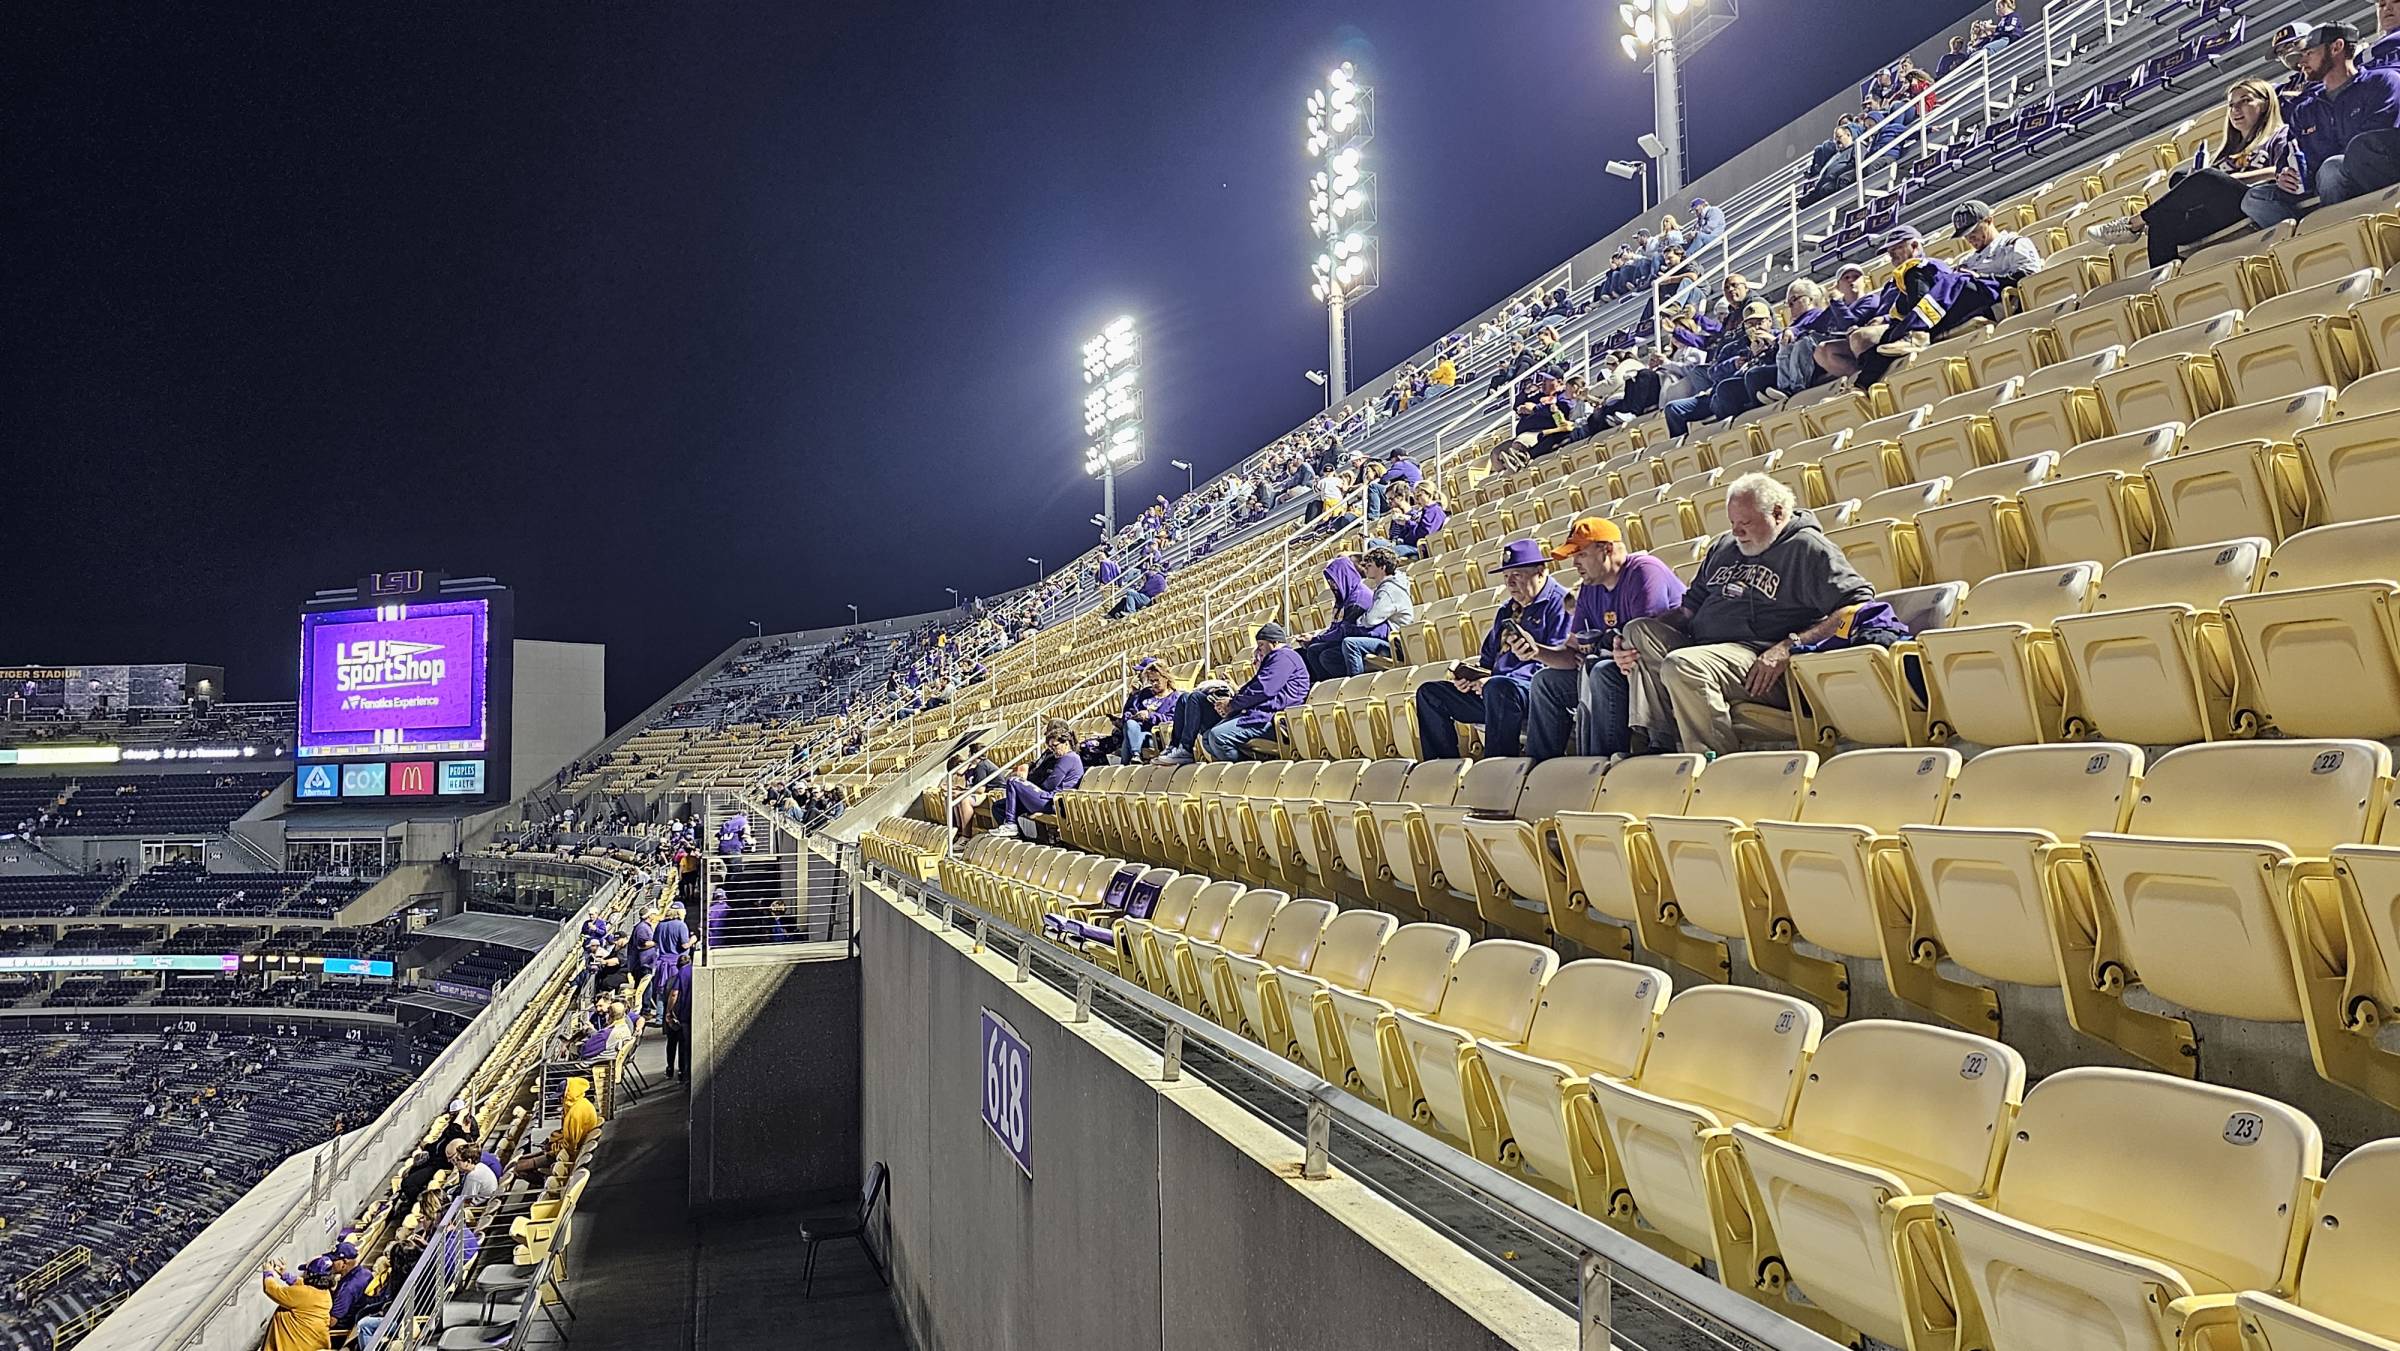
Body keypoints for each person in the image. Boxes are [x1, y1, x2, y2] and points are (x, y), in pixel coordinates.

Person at [1618, 474, 1877, 755]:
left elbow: (1857, 605)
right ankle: (1659, 743)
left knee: (1683, 664)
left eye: (1746, 523)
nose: (1737, 532)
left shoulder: (1807, 548)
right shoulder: (1724, 547)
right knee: (1636, 630)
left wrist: (1789, 646)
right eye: (1732, 523)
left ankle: (1712, 760)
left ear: (1778, 514)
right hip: (1708, 648)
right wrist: (1626, 643)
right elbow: (1687, 609)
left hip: (1760, 659)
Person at [1520, 518, 1688, 762]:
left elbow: (1642, 642)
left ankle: (1599, 764)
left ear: (1607, 549)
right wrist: (1536, 651)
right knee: (1546, 681)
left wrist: (1603, 652)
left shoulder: (1644, 570)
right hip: (1619, 668)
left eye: (1581, 554)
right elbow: (1573, 652)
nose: (1575, 563)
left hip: (1660, 673)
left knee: (1600, 670)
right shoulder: (1590, 587)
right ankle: (1538, 768)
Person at [2094, 76, 2288, 267]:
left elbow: (2280, 171)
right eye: (2231, 105)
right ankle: (2164, 283)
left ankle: (2133, 224)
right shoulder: (2226, 152)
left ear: (2265, 104)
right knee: (2166, 209)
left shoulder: (2279, 135)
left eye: (2245, 101)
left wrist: (2231, 178)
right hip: (2216, 213)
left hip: (2250, 203)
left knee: (2206, 178)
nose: (2235, 110)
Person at [1413, 539, 1572, 760]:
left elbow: (1556, 667)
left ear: (1540, 571)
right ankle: (1442, 769)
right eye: (1506, 577)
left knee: (1499, 688)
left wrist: (1492, 681)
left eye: (1516, 574)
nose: (1510, 583)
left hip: (1535, 694)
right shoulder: (1506, 610)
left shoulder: (1561, 603)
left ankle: (1498, 767)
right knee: (1430, 693)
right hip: (1496, 691)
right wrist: (1473, 679)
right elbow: (1488, 661)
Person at [2243, 22, 2400, 229]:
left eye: (2309, 53)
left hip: (2375, 173)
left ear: (2336, 47)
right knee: (2255, 197)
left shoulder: (2383, 81)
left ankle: (2344, 236)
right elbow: (2292, 152)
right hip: (2321, 181)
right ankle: (2309, 240)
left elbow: (2375, 142)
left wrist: (2319, 166)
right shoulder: (2306, 107)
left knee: (2331, 169)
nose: (2301, 61)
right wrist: (2285, 174)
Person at [1817, 227, 2005, 385]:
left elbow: (1929, 298)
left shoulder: (1924, 267)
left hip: (1932, 318)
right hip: (1909, 321)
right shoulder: (1896, 280)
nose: (1891, 255)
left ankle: (1908, 344)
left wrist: (1905, 325)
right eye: (1889, 251)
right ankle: (1864, 383)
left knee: (1863, 338)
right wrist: (1886, 318)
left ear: (1914, 246)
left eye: (1897, 248)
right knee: (1840, 349)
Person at [1157, 624, 1311, 765]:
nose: (1259, 651)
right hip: (1255, 714)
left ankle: (1246, 768)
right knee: (1198, 716)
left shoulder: (1284, 656)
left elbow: (1263, 689)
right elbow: (1258, 689)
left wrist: (1232, 705)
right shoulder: (1277, 658)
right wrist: (1230, 700)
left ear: (1274, 642)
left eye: (1261, 646)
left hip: (1269, 719)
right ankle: (1180, 748)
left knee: (1216, 737)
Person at [1311, 550, 1416, 678]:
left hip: (1396, 644)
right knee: (1326, 654)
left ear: (1382, 567)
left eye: (1370, 565)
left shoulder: (1389, 591)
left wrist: (1359, 621)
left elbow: (1371, 619)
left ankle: (1356, 682)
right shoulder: (1383, 587)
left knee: (1350, 643)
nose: (1365, 568)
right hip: (1386, 637)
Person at [988, 726, 1085, 836]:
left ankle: (1010, 824)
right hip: (1047, 799)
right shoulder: (1065, 758)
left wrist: (1027, 788)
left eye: (1055, 746)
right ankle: (1016, 838)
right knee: (999, 806)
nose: (1053, 751)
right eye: (1050, 748)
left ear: (1066, 743)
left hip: (1053, 802)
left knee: (1013, 781)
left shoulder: (1069, 758)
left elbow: (1050, 784)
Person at [1949, 199, 2043, 283]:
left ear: (1989, 221)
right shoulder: (1967, 261)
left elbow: (2029, 280)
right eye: (1965, 235)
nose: (1970, 238)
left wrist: (1981, 278)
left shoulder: (2015, 245)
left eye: (1973, 231)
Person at [258, 1257, 336, 1351]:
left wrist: (268, 1273)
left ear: (311, 1275)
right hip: (314, 1344)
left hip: (296, 1345)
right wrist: (285, 1275)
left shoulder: (304, 1294)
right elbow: (304, 1284)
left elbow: (271, 1289)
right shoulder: (325, 1294)